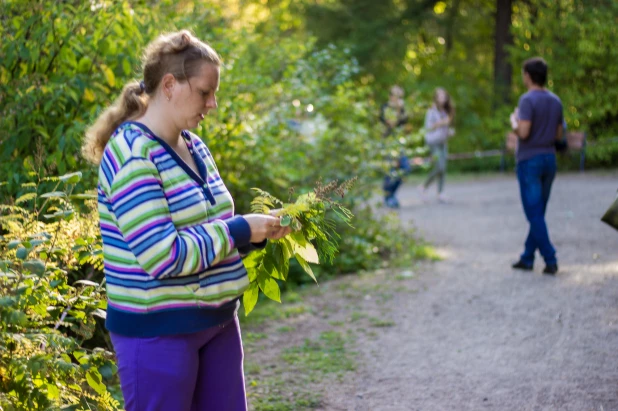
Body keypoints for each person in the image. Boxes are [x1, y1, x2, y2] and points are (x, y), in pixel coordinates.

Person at [82, 30, 291, 410]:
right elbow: (164, 256)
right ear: (169, 85)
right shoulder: (133, 155)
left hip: (218, 323)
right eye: (204, 92)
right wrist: (241, 228)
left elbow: (214, 228)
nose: (212, 104)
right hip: (158, 334)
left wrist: (259, 232)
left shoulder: (195, 146)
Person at [509, 57, 563, 275]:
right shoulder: (555, 101)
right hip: (550, 159)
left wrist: (514, 121)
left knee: (534, 213)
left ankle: (550, 259)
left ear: (528, 76)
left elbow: (523, 132)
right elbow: (559, 134)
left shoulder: (527, 100)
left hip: (530, 160)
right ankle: (527, 257)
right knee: (538, 211)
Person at [419, 88, 455, 203]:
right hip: (433, 142)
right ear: (436, 97)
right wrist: (441, 123)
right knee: (439, 166)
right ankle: (424, 186)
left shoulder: (445, 111)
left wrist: (449, 132)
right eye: (440, 96)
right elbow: (428, 128)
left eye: (444, 96)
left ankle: (440, 193)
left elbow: (445, 127)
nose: (443, 98)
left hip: (443, 142)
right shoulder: (431, 111)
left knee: (443, 168)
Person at [379, 85, 409, 208]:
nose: (399, 99)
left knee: (405, 168)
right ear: (391, 96)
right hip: (388, 143)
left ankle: (391, 194)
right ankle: (388, 197)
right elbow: (390, 124)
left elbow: (404, 126)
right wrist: (397, 110)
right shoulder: (385, 108)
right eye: (397, 96)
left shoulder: (402, 109)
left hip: (399, 143)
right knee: (390, 171)